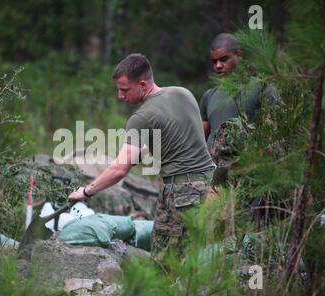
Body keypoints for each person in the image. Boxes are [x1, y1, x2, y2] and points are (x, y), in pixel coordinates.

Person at [68, 53, 216, 265]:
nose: (120, 96)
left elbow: (119, 170)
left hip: (182, 193)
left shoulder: (141, 117)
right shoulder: (183, 93)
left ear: (143, 84)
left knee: (167, 262)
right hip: (212, 187)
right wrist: (142, 151)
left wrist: (86, 191)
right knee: (200, 254)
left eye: (124, 90)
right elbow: (180, 137)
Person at [199, 33, 278, 174]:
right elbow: (200, 141)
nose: (218, 66)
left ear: (239, 55)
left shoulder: (262, 88)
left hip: (250, 175)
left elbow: (273, 134)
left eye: (224, 59)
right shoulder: (209, 96)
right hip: (214, 180)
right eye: (214, 61)